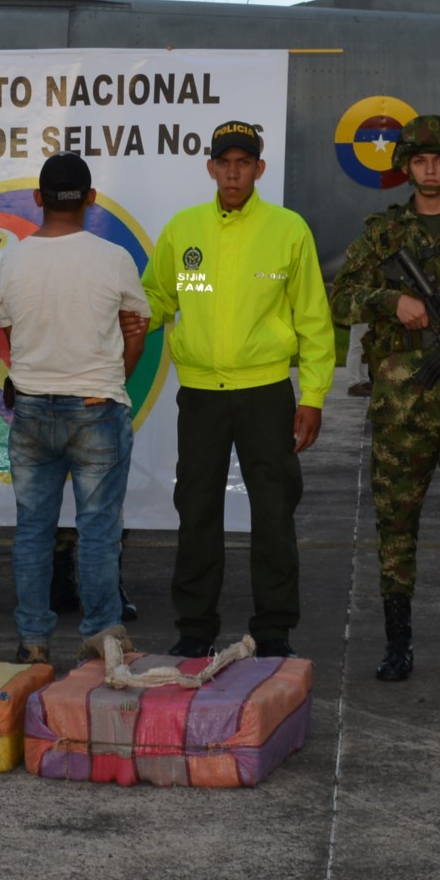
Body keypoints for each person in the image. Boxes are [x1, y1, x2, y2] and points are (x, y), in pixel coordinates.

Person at [329, 114, 440, 683]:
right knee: (395, 526)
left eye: (439, 159)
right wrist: (392, 301)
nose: (429, 169)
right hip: (401, 410)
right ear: (405, 166)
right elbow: (341, 299)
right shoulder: (384, 234)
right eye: (419, 160)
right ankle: (397, 646)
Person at [143, 120, 336, 656]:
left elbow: (314, 322)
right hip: (201, 397)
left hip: (265, 393)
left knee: (273, 513)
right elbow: (154, 299)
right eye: (224, 163)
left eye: (243, 162)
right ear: (210, 168)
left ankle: (274, 631)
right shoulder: (183, 230)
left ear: (259, 169)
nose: (233, 172)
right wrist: (126, 317)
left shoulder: (288, 229)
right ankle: (194, 630)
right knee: (197, 510)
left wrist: (314, 395)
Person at [0, 151, 151, 666]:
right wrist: (108, 381)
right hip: (96, 407)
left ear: (38, 199)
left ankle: (33, 642)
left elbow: (13, 336)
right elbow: (136, 331)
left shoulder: (10, 262)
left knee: (33, 529)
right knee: (98, 529)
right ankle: (102, 636)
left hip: (33, 410)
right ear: (91, 200)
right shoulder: (114, 258)